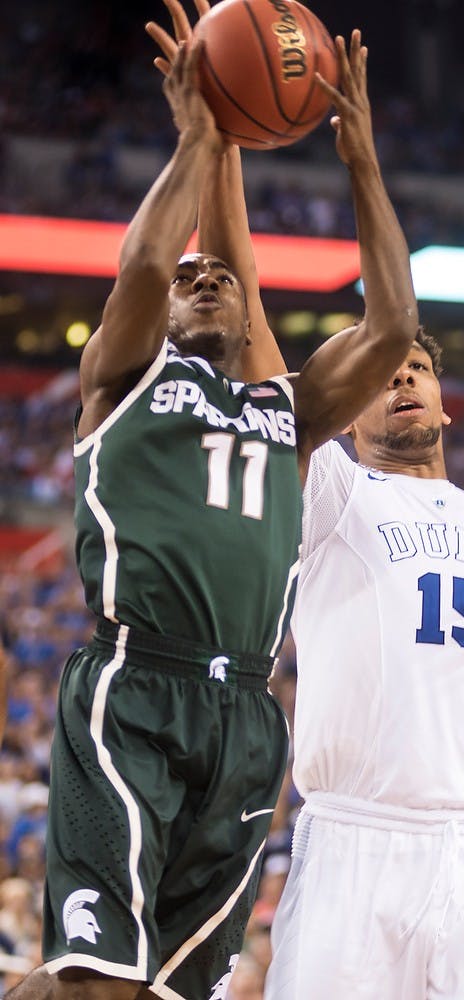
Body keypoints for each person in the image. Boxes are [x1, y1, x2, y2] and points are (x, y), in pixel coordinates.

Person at [155, 11, 464, 999]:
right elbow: (249, 318)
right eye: (379, 375)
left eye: (415, 368)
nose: (399, 379)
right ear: (343, 414)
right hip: (356, 847)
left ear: (444, 397)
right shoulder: (332, 489)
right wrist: (221, 147)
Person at [7, 17, 418, 1000]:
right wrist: (198, 137)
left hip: (246, 719)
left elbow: (393, 323)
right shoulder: (119, 382)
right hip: (134, 687)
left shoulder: (292, 409)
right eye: (190, 276)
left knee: (156, 989)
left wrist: (360, 159)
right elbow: (146, 267)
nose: (201, 275)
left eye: (221, 277)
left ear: (247, 319)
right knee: (102, 979)